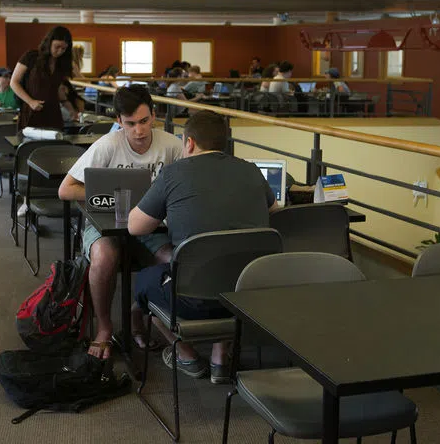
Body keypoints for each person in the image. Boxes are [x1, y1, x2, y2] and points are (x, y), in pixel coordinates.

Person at [129, 110, 278, 383]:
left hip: (192, 302)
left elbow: (135, 228)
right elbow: (274, 210)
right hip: (248, 296)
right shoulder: (250, 169)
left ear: (189, 143)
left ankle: (186, 355)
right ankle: (221, 357)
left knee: (144, 282)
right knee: (227, 271)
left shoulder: (173, 174)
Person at [58, 85, 182, 359]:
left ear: (154, 114)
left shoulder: (172, 145)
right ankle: (104, 327)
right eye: (130, 124)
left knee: (174, 259)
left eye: (144, 121)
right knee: (104, 257)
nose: (138, 130)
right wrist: (112, 197)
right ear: (118, 121)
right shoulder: (107, 145)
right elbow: (66, 190)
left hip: (150, 226)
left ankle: (137, 313)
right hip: (106, 222)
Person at [11, 25, 76, 130]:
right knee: (30, 145)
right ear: (49, 42)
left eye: (63, 48)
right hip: (32, 112)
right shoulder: (31, 56)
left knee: (53, 144)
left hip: (53, 113)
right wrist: (30, 101)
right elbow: (14, 82)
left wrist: (69, 107)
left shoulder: (61, 64)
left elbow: (58, 89)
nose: (59, 51)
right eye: (57, 47)